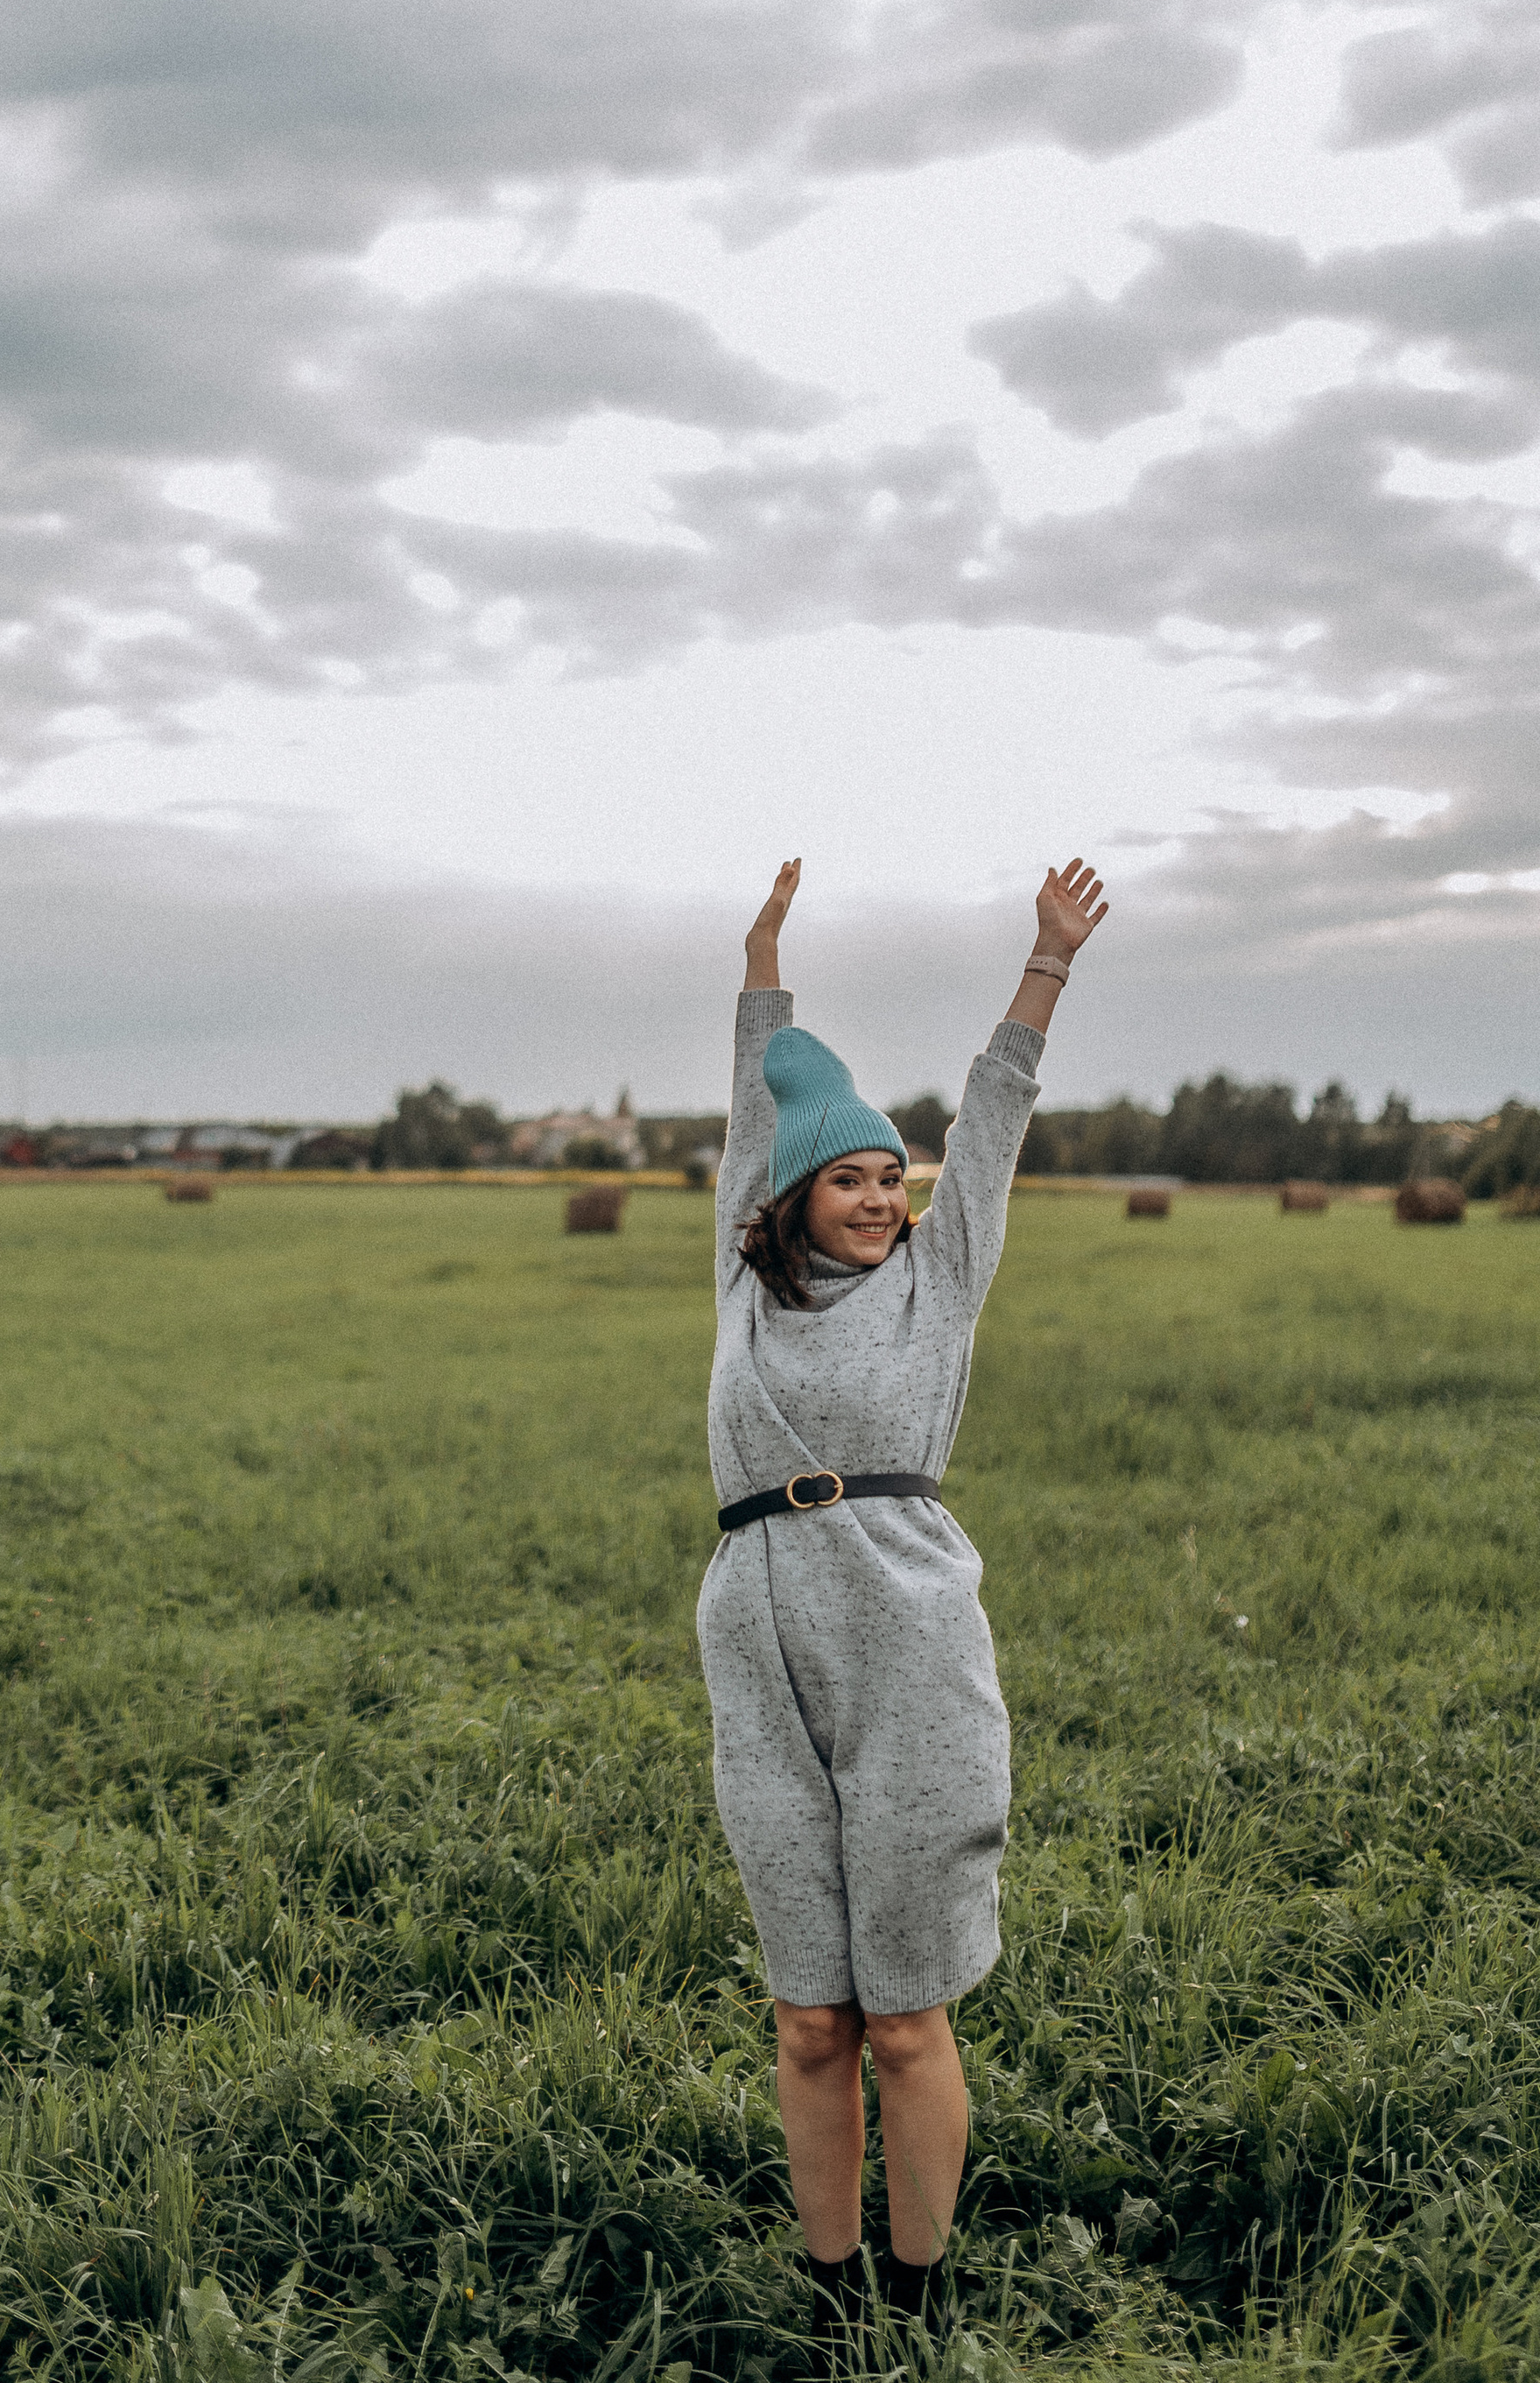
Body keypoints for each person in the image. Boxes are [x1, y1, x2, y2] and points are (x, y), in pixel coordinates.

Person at [698, 852, 1108, 2351]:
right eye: (853, 1177)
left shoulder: (939, 1281)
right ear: (792, 1193)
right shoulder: (742, 1287)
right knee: (812, 2017)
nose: (882, 1198)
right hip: (756, 1638)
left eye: (892, 1176)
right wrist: (761, 969)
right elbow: (752, 1109)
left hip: (911, 1643)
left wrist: (1044, 967)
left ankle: (919, 2308)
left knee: (906, 2016)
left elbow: (989, 1128)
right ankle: (828, 2300)